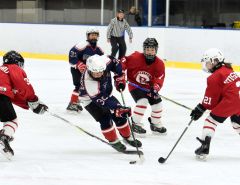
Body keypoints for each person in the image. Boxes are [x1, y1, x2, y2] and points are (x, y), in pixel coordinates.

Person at [79, 54, 142, 152]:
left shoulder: (105, 61)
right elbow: (102, 100)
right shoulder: (89, 83)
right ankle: (113, 141)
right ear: (89, 70)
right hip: (90, 100)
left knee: (120, 116)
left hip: (107, 93)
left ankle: (127, 136)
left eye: (101, 72)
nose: (99, 74)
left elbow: (115, 62)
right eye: (95, 73)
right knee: (105, 119)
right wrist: (117, 108)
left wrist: (119, 76)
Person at [190, 48, 240, 159]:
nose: (206, 65)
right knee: (237, 123)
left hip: (230, 102)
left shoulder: (214, 77)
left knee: (211, 120)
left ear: (215, 61)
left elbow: (210, 101)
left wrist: (200, 108)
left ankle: (205, 146)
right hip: (238, 100)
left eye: (208, 62)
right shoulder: (228, 70)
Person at [0, 51, 48, 159]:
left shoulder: (2, 71)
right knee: (12, 121)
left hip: (2, 95)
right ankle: (3, 138)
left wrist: (29, 104)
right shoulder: (14, 68)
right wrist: (33, 100)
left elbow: (13, 95)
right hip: (1, 95)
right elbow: (22, 86)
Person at [120, 38, 167, 135]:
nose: (150, 52)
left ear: (156, 50)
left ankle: (155, 124)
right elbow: (123, 61)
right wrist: (121, 73)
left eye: (152, 50)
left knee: (158, 105)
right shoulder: (136, 57)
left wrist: (156, 88)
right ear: (144, 49)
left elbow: (160, 78)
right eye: (148, 49)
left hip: (150, 88)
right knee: (143, 101)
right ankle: (135, 123)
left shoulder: (159, 63)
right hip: (135, 86)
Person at [67, 26, 104, 113]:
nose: (94, 37)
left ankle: (78, 102)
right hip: (76, 69)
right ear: (88, 36)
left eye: (95, 35)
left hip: (89, 71)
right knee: (79, 86)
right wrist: (78, 64)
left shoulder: (99, 49)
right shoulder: (82, 45)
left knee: (89, 87)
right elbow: (72, 55)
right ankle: (72, 103)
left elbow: (102, 60)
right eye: (92, 35)